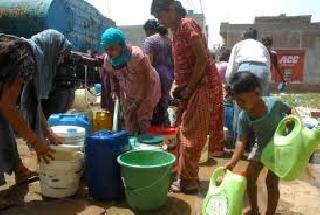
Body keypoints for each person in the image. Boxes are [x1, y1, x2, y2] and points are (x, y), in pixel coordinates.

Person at [151, 0, 223, 193]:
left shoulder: (187, 25)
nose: (160, 20)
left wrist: (189, 88)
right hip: (189, 89)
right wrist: (179, 88)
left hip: (201, 86)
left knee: (191, 137)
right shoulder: (176, 32)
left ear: (172, 9)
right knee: (184, 132)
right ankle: (186, 177)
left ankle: (189, 182)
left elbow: (202, 58)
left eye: (160, 15)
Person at [0, 33, 61, 190]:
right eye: (61, 55)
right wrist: (35, 141)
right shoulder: (26, 59)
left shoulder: (30, 52)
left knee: (4, 124)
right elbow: (7, 106)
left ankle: (19, 170)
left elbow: (34, 100)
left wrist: (47, 132)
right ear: (52, 49)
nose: (60, 61)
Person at [225, 71, 291, 215]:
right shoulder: (244, 116)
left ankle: (270, 213)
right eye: (237, 102)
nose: (239, 105)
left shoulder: (276, 104)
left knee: (271, 183)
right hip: (261, 146)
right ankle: (254, 209)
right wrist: (233, 161)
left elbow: (292, 115)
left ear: (257, 92)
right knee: (250, 176)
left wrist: (293, 136)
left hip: (279, 149)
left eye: (242, 101)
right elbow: (241, 141)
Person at [101, 28, 161, 134]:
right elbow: (112, 75)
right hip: (128, 88)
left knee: (142, 118)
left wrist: (137, 102)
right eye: (106, 49)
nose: (109, 52)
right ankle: (132, 145)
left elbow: (147, 80)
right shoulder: (108, 59)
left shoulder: (136, 56)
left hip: (147, 88)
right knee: (129, 118)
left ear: (121, 45)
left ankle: (145, 146)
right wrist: (114, 90)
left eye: (112, 48)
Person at [143, 19, 174, 126]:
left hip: (156, 77)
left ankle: (156, 131)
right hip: (169, 77)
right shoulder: (170, 41)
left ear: (148, 30)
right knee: (163, 104)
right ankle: (164, 128)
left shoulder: (149, 41)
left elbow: (149, 64)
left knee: (153, 106)